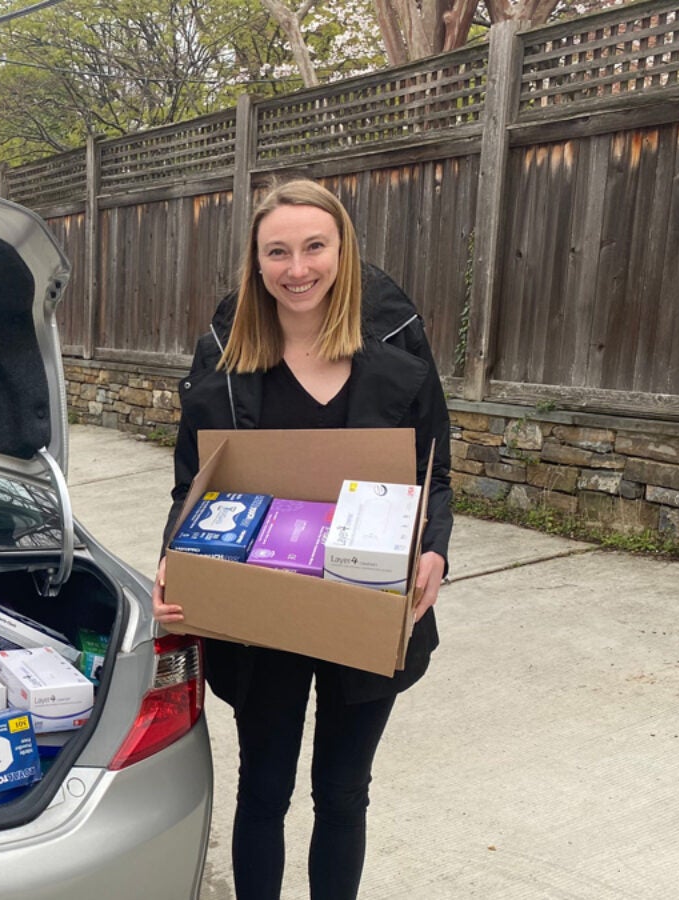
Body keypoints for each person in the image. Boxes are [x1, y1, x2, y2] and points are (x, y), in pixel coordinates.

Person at [151, 178, 453, 900]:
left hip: (367, 601)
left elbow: (433, 470)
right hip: (264, 614)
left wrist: (435, 548)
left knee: (344, 794)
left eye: (314, 247)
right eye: (277, 252)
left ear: (342, 250)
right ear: (256, 263)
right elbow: (192, 482)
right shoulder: (225, 358)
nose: (297, 268)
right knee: (264, 790)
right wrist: (175, 565)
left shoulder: (394, 345)